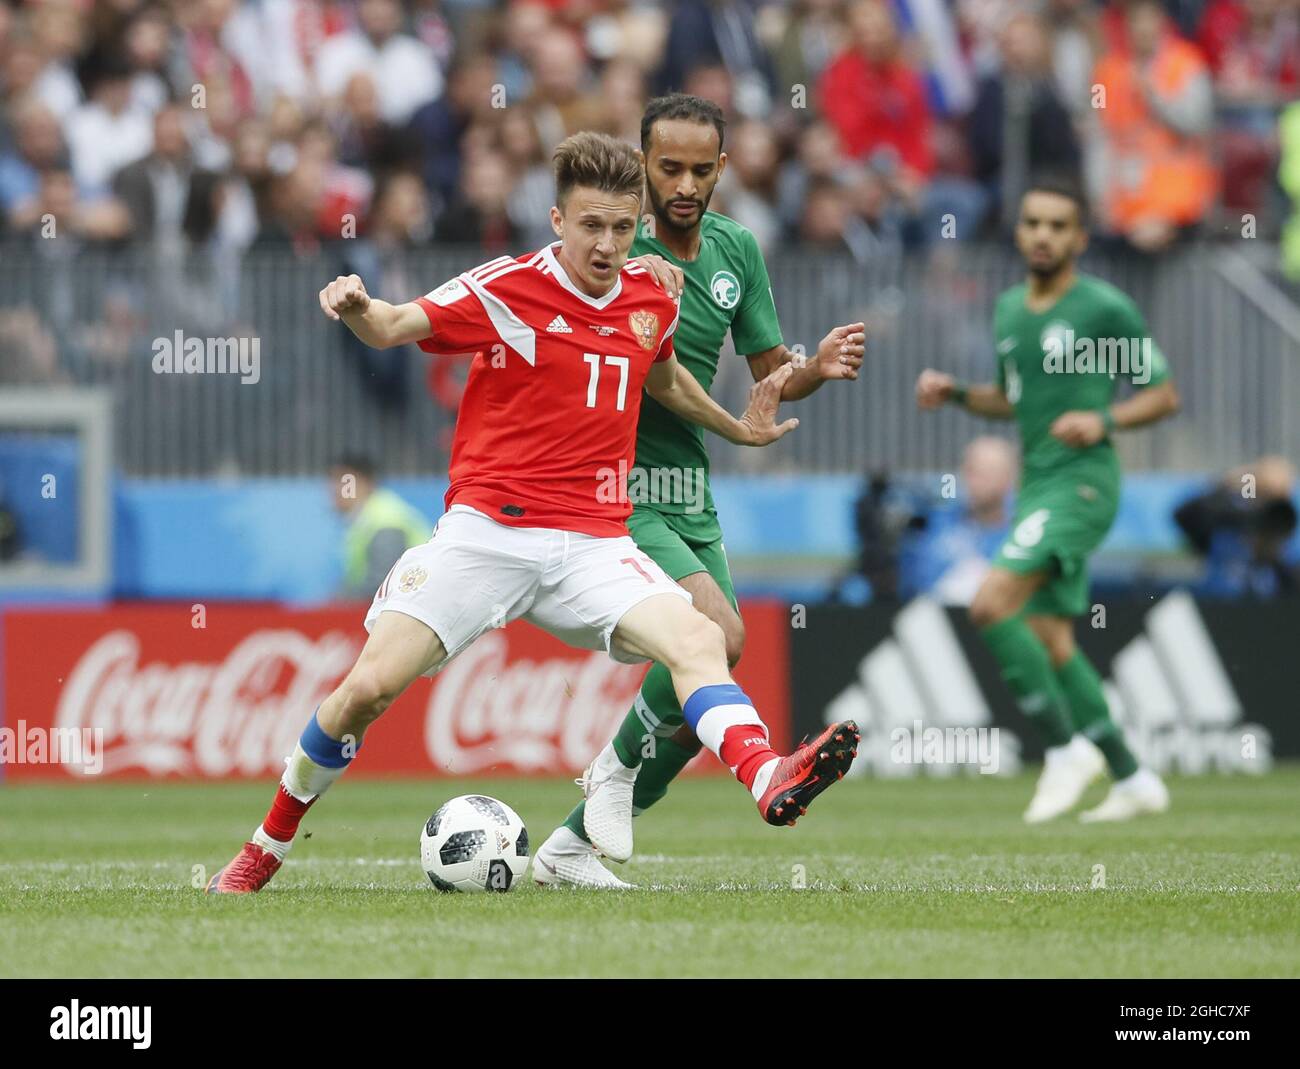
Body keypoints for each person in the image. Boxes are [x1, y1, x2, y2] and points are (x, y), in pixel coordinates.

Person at [206, 131, 858, 894]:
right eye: (591, 226)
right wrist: (354, 306)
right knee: (366, 691)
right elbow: (391, 326)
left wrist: (736, 426)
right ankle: (265, 847)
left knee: (699, 637)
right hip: (487, 534)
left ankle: (767, 774)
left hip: (592, 539)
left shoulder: (652, 295)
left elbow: (664, 377)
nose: (608, 245)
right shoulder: (507, 288)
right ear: (556, 219)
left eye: (622, 227)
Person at [536, 94, 866, 888]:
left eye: (700, 169)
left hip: (689, 488)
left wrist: (809, 370)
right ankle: (627, 778)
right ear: (643, 165)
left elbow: (766, 379)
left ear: (723, 168)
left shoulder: (735, 250)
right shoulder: (612, 244)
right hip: (614, 484)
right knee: (710, 631)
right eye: (668, 167)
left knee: (724, 647)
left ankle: (570, 846)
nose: (684, 184)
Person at [915, 178, 1181, 823]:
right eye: (1033, 222)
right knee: (1051, 638)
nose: (1043, 235)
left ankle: (1065, 749)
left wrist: (1105, 421)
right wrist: (955, 394)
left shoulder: (1102, 309)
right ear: (1019, 231)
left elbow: (1162, 393)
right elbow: (1011, 399)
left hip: (1083, 482)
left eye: (1059, 226)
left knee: (989, 604)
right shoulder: (1009, 310)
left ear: (1080, 238)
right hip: (1036, 483)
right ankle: (1132, 775)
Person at [900, 436, 1018, 605]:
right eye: (970, 471)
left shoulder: (1024, 531)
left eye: (986, 473)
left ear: (1008, 478)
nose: (974, 481)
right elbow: (915, 585)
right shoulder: (938, 525)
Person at [329, 454, 432, 601]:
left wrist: (339, 603)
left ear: (366, 483)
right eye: (333, 481)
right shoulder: (366, 519)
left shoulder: (386, 520)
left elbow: (382, 587)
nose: (335, 490)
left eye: (344, 481)